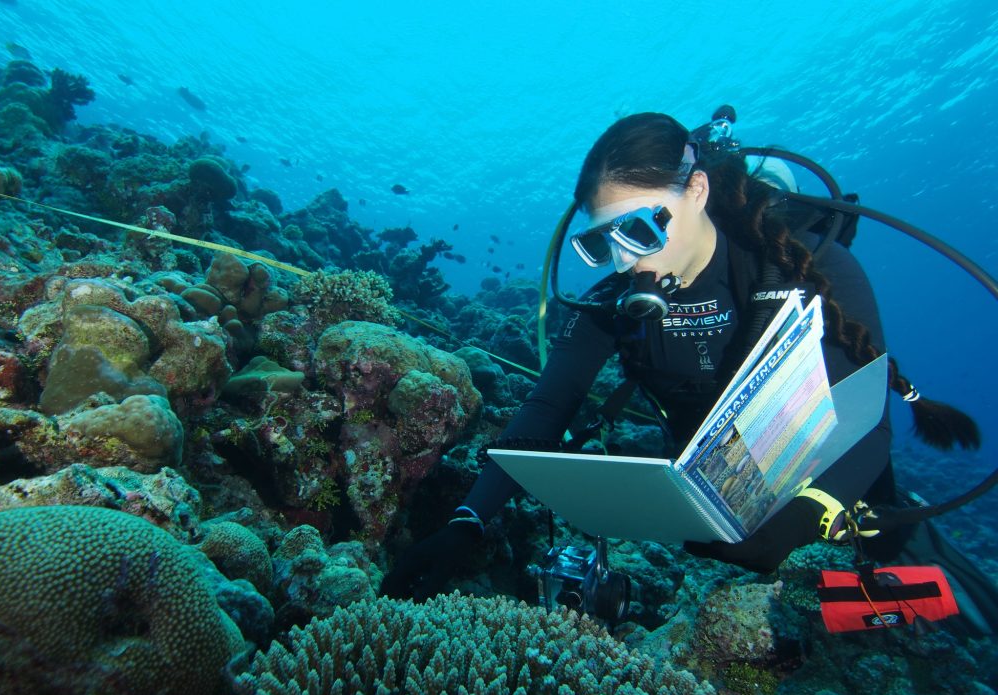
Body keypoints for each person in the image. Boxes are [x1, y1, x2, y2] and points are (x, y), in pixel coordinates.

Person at [381, 112, 981, 608]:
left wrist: (803, 520)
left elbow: (868, 423)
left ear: (696, 191)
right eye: (600, 244)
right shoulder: (611, 301)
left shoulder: (806, 267)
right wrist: (467, 519)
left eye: (639, 230)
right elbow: (547, 408)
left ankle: (928, 543)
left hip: (822, 466)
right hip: (716, 484)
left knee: (882, 556)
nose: (623, 263)